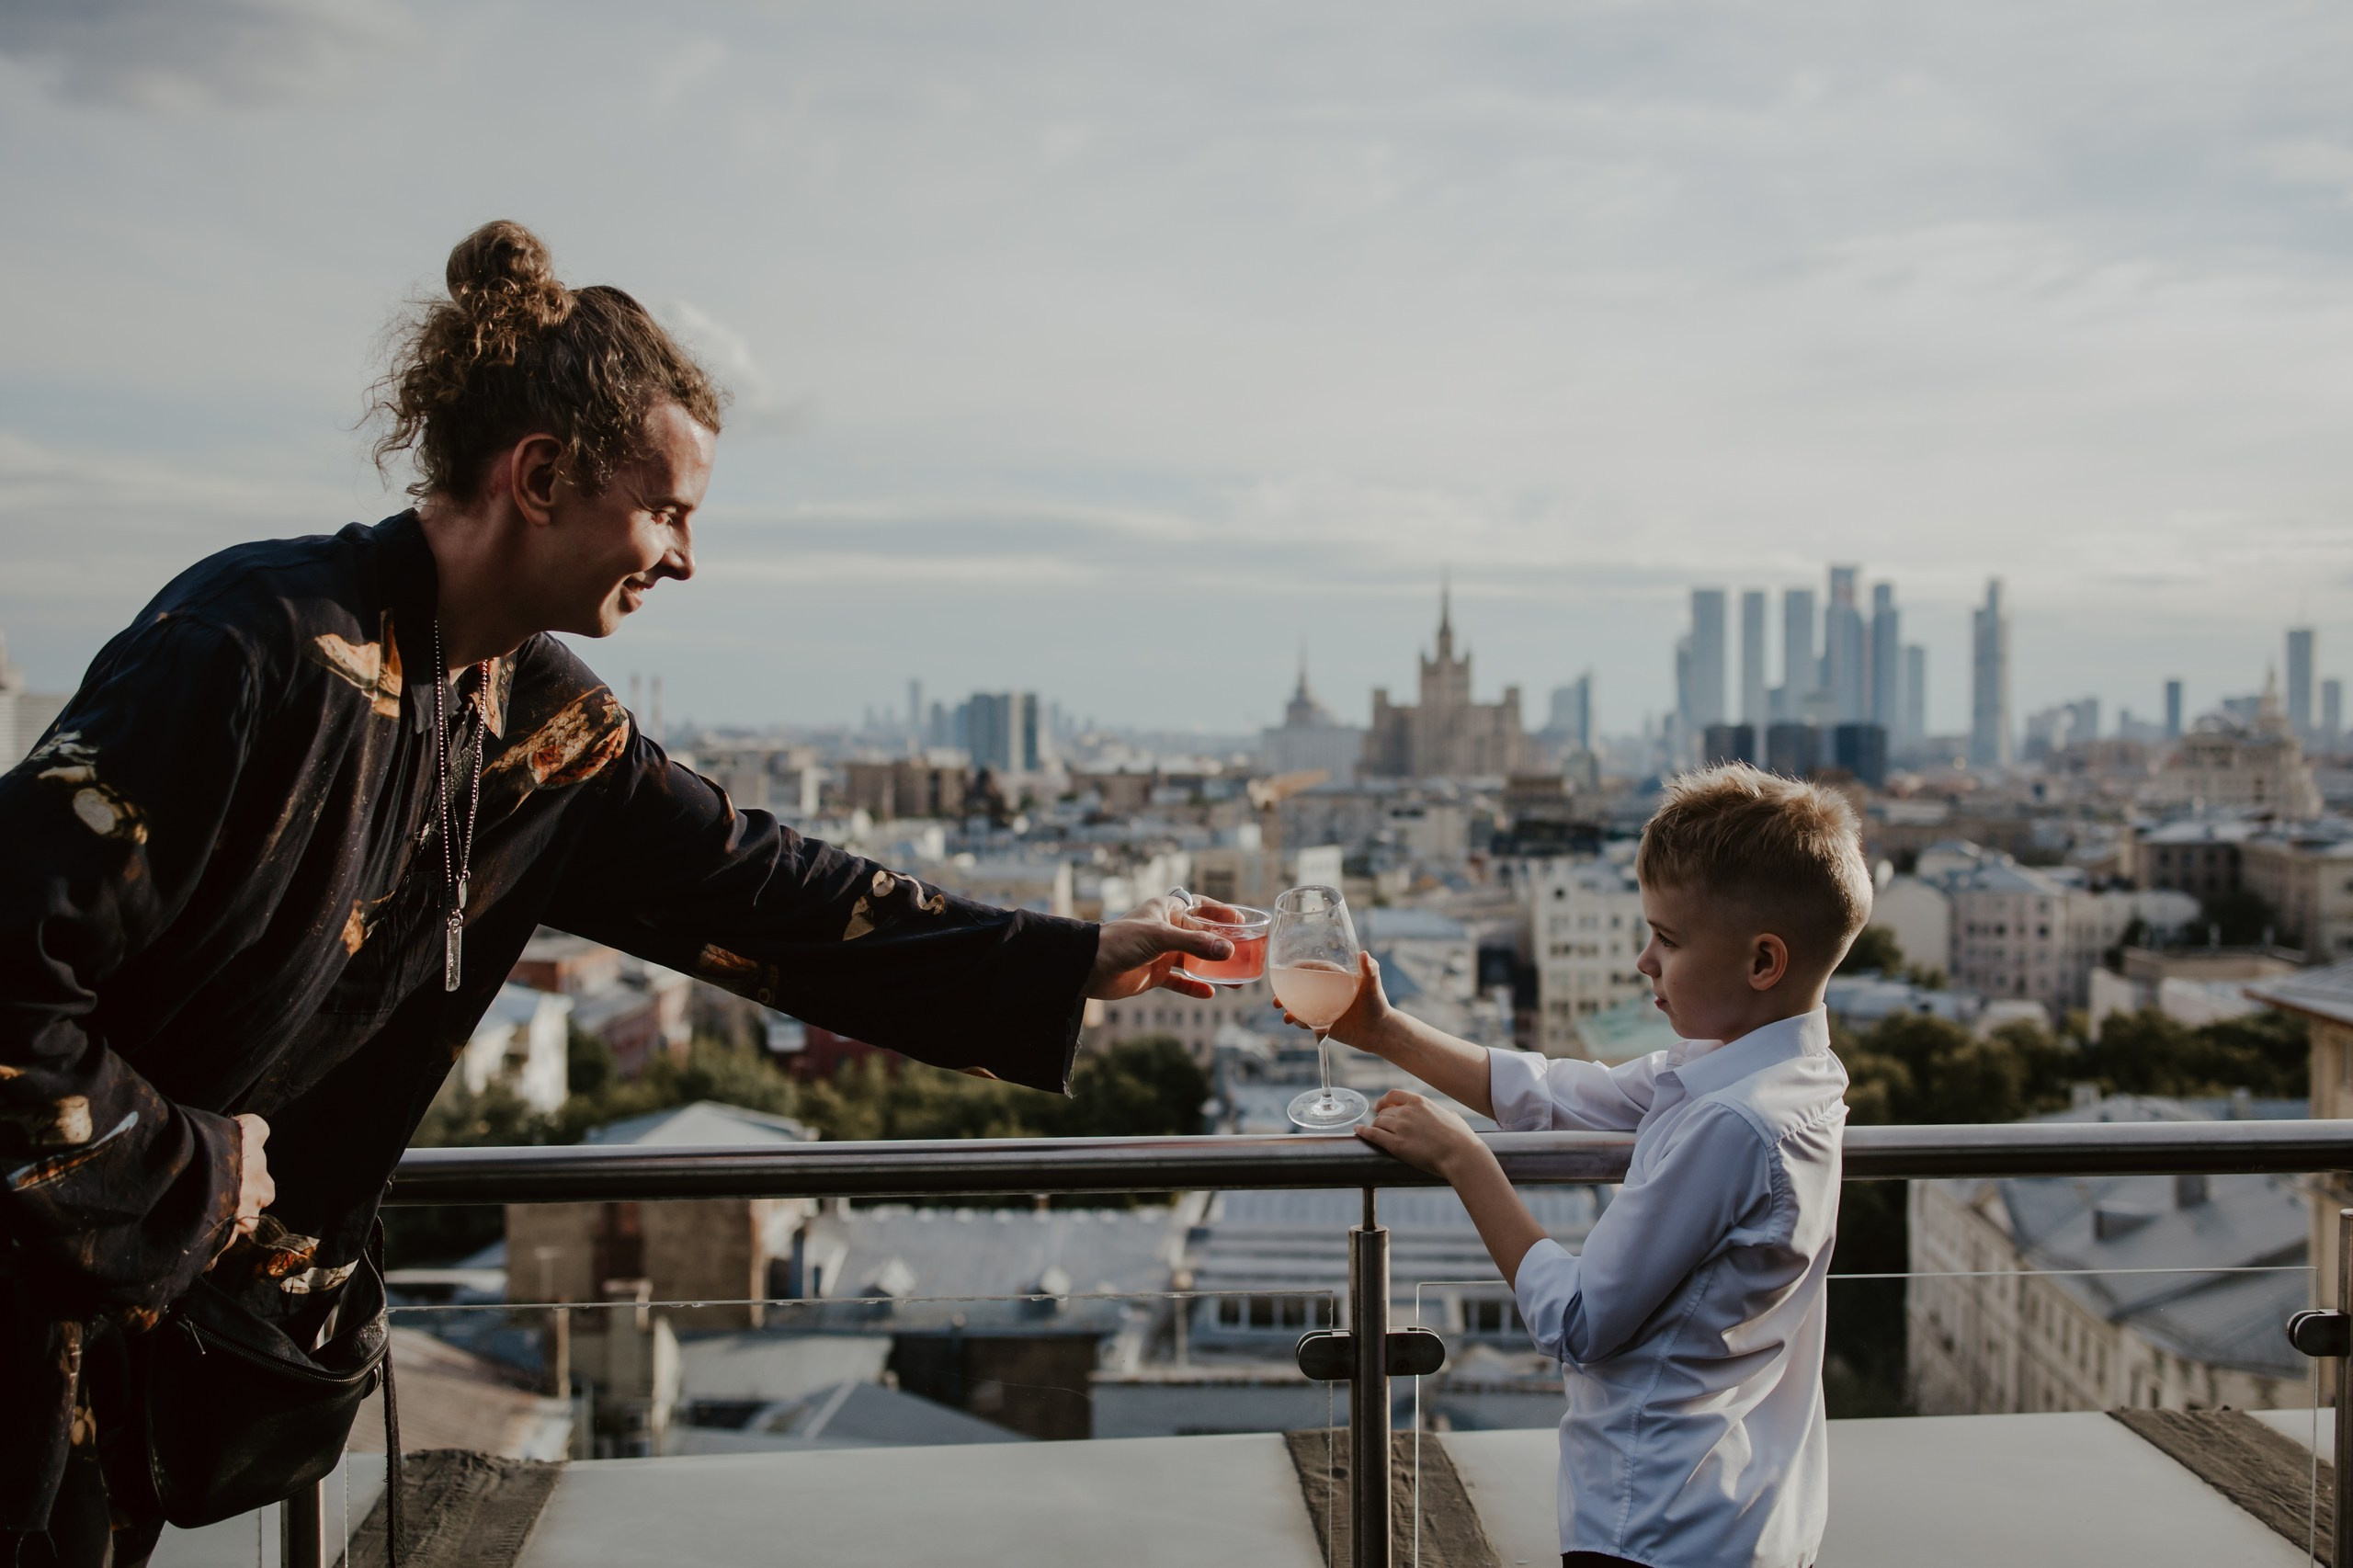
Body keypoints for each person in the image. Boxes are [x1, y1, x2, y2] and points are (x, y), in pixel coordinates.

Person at [0, 220, 1232, 1568]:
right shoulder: (250, 647)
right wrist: (199, 1169)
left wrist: (1071, 954)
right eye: (669, 511)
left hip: (149, 1361)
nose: (686, 558)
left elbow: (768, 893)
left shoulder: (537, 726)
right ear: (539, 478)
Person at [1286, 764, 1862, 1568]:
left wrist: (1462, 1158)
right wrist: (1385, 1032)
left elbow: (1580, 1322)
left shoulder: (1733, 1124)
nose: (1642, 962)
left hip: (1659, 1521)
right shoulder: (1776, 1071)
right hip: (1745, 1506)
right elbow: (1558, 1093)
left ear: (1763, 962)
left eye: (1668, 939)